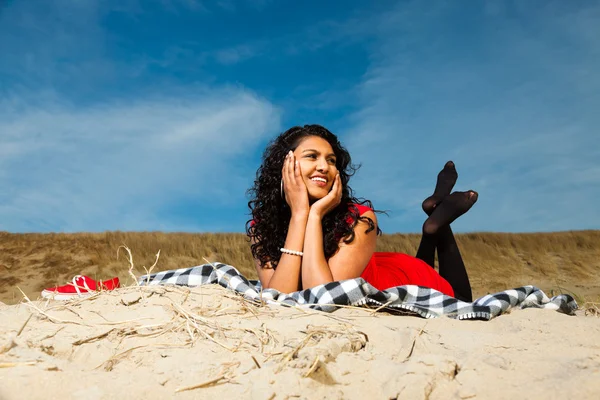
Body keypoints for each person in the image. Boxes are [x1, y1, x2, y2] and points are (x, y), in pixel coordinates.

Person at [246, 125, 478, 302]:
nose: (324, 166)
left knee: (462, 299)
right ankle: (432, 225)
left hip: (405, 279)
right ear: (284, 166)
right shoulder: (263, 226)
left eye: (331, 160)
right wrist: (299, 215)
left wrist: (313, 215)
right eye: (311, 156)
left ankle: (437, 227)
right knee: (427, 248)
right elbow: (276, 298)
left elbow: (322, 297)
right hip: (384, 268)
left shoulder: (358, 219)